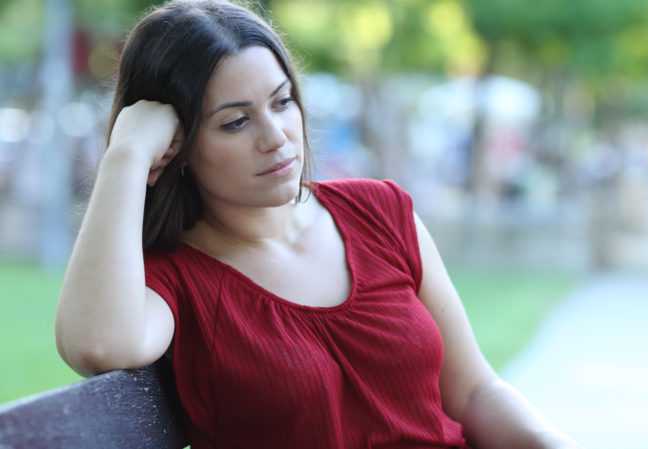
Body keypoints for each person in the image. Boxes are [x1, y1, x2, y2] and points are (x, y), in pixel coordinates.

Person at [55, 1, 584, 448]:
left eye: (282, 102)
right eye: (235, 122)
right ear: (178, 147)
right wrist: (126, 155)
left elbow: (473, 393)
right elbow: (101, 344)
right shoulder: (176, 282)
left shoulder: (380, 212)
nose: (277, 137)